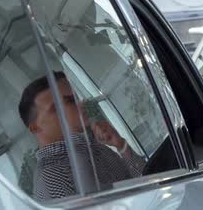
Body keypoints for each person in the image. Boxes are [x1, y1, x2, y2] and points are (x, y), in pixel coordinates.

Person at [18, 71, 144, 201]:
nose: (79, 105)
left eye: (75, 99)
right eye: (66, 103)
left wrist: (121, 146)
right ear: (35, 128)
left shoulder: (94, 147)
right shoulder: (50, 177)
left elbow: (144, 182)